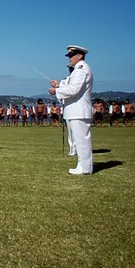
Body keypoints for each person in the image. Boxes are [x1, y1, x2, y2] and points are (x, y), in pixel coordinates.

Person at [49, 45, 94, 175]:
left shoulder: (81, 70)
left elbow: (74, 90)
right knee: (79, 141)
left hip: (79, 110)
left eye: (71, 56)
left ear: (79, 56)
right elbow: (71, 85)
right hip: (76, 110)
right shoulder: (78, 70)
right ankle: (82, 166)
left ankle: (85, 168)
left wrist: (56, 91)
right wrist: (59, 84)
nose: (69, 59)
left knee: (82, 141)